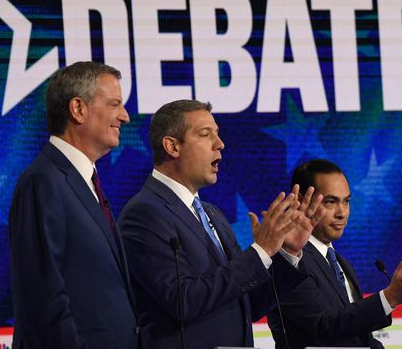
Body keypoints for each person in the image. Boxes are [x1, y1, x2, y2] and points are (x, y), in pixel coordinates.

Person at [118, 99, 324, 349]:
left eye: (218, 134)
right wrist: (260, 251)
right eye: (206, 135)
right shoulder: (144, 214)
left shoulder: (212, 214)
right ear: (172, 146)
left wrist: (287, 252)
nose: (220, 144)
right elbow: (183, 301)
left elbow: (247, 303)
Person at [9, 61, 139, 348]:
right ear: (78, 109)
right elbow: (42, 298)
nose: (125, 116)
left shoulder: (83, 180)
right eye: (115, 104)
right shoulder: (42, 182)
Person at [267, 159, 402, 348]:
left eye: (346, 201)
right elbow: (324, 327)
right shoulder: (287, 261)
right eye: (331, 202)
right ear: (302, 201)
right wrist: (389, 297)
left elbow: (356, 337)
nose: (342, 213)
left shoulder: (341, 264)